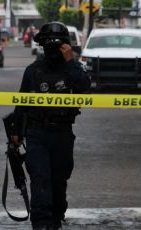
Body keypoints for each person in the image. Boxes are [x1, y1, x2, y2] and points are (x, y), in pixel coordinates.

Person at [11, 22, 90, 230]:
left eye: (58, 44)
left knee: (58, 180)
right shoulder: (33, 71)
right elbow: (22, 103)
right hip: (37, 133)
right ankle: (41, 223)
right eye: (49, 44)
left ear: (66, 45)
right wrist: (16, 133)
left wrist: (70, 61)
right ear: (42, 46)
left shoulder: (73, 68)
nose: (53, 49)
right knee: (40, 178)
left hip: (63, 133)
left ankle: (55, 218)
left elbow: (83, 87)